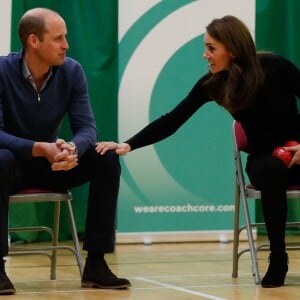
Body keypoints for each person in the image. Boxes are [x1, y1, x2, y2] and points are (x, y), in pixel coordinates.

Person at [96, 15, 300, 288]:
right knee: (272, 171)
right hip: (264, 159)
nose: (205, 55)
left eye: (211, 48)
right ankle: (278, 258)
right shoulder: (214, 83)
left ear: (234, 49)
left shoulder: (277, 67)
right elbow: (172, 119)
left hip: (297, 149)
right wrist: (128, 144)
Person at [0, 7, 130, 295]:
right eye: (58, 38)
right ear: (34, 41)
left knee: (106, 156)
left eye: (66, 38)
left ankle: (96, 264)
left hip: (53, 164)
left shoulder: (71, 71)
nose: (66, 45)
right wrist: (38, 148)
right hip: (13, 166)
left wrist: (72, 148)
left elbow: (87, 128)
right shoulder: (1, 71)